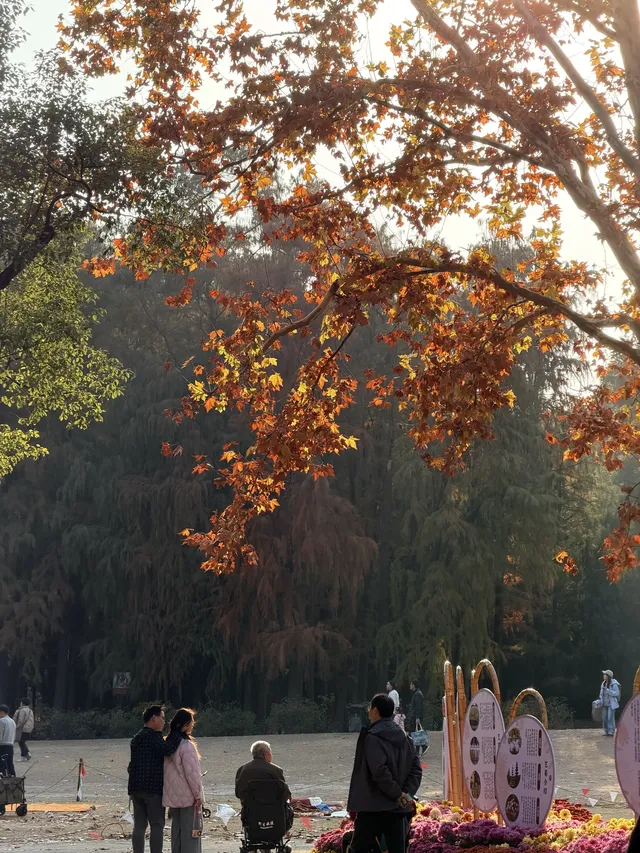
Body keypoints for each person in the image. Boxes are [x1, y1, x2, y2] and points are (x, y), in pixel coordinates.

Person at [347, 693, 422, 853]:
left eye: (369, 709)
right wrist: (406, 795)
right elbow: (416, 769)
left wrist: (397, 794)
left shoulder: (373, 737)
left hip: (373, 806)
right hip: (397, 808)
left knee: (358, 849)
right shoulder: (406, 738)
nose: (368, 712)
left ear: (375, 711)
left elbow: (380, 772)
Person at [128, 704, 183, 853]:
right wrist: (177, 734)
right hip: (152, 788)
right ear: (154, 718)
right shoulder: (152, 736)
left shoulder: (137, 737)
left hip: (135, 788)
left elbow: (131, 765)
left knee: (139, 825)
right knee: (157, 824)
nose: (164, 722)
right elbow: (167, 749)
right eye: (162, 718)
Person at [163, 708, 204, 853]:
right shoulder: (186, 746)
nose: (193, 724)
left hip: (172, 797)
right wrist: (198, 796)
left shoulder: (167, 745)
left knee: (177, 833)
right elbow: (192, 775)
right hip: (188, 798)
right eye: (191, 722)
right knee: (192, 834)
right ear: (185, 724)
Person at [235, 740, 293, 830]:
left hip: (252, 814)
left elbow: (238, 794)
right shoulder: (276, 770)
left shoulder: (243, 770)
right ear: (266, 753)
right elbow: (285, 794)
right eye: (270, 753)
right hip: (275, 814)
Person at [406, 680, 426, 754]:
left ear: (414, 685)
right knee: (416, 732)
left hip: (415, 716)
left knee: (415, 732)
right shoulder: (417, 693)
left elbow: (418, 706)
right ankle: (421, 748)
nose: (410, 686)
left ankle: (420, 748)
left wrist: (417, 717)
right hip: (415, 716)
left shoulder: (417, 694)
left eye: (411, 684)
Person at [600, 669, 621, 736]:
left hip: (611, 704)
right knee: (604, 717)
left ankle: (611, 731)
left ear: (608, 676)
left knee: (610, 717)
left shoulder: (614, 684)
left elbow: (616, 693)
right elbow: (601, 694)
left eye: (605, 674)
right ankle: (606, 731)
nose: (603, 676)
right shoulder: (603, 683)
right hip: (604, 703)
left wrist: (608, 691)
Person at [0, 705, 16, 777]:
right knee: (10, 763)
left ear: (2, 712)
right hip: (10, 744)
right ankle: (13, 778)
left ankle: (3, 780)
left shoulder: (1, 721)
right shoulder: (12, 721)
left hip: (2, 745)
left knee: (2, 764)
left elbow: (0, 734)